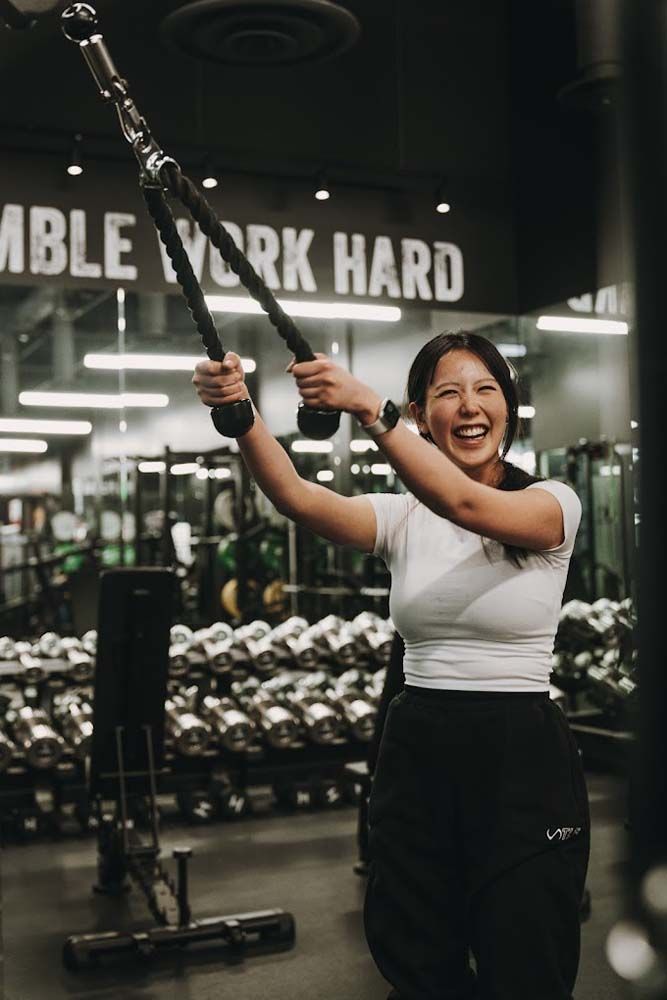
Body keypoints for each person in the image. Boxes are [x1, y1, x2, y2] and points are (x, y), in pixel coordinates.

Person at [192, 331, 590, 1000]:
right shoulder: (402, 516)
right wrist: (239, 413)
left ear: (508, 407)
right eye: (447, 393)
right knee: (416, 955)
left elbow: (463, 504)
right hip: (418, 745)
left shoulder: (551, 503)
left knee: (525, 959)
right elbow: (294, 496)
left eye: (485, 389)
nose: (469, 406)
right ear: (422, 414)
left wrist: (368, 410)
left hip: (520, 753)